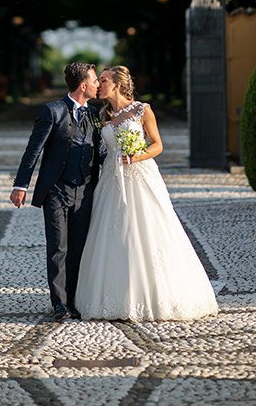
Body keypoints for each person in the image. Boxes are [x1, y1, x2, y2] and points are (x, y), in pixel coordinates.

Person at [74, 65, 218, 322]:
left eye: (103, 80)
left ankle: (156, 296)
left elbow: (158, 145)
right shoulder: (102, 114)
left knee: (148, 229)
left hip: (139, 176)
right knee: (112, 233)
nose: (99, 84)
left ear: (116, 84)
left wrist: (136, 156)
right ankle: (113, 295)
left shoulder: (142, 110)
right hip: (110, 180)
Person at [10, 62, 103, 321]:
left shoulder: (95, 114)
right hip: (56, 191)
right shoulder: (52, 111)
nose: (98, 85)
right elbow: (34, 150)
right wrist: (21, 185)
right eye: (95, 81)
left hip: (85, 191)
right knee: (58, 248)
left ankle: (74, 300)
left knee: (78, 248)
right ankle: (60, 304)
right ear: (83, 85)